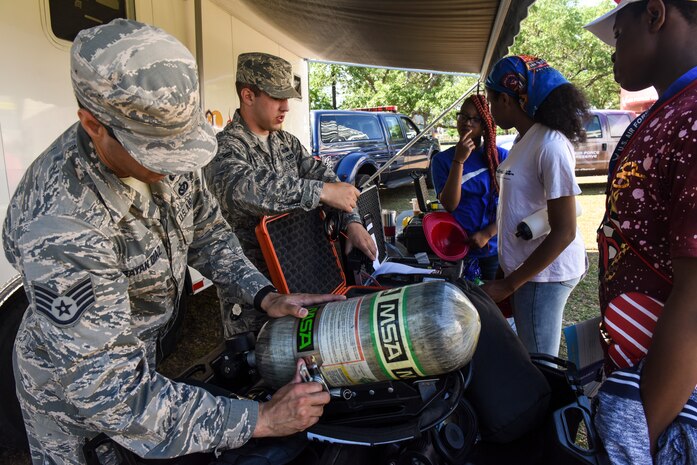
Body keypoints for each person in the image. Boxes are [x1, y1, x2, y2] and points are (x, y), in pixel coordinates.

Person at [2, 19, 342, 464]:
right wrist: (260, 419)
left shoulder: (165, 149)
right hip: (68, 391)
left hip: (136, 361)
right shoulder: (61, 222)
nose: (174, 166)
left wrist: (264, 296)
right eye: (158, 152)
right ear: (93, 124)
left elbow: (209, 233)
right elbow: (113, 395)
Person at [584, 1, 697, 463]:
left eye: (618, 34)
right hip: (644, 377)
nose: (613, 51)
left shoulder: (692, 119)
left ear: (654, 15)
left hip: (669, 409)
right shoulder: (668, 112)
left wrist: (637, 437)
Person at [203, 52, 377, 338]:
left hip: (299, 275)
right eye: (276, 97)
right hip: (253, 291)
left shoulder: (287, 143)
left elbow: (328, 180)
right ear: (248, 95)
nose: (286, 107)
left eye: (288, 98)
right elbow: (242, 189)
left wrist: (352, 221)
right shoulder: (224, 148)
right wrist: (319, 192)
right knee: (261, 366)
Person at [481, 55, 588, 357]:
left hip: (543, 275)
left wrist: (510, 284)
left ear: (506, 99)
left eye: (491, 100)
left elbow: (565, 230)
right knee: (529, 351)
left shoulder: (550, 145)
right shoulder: (524, 140)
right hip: (526, 270)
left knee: (539, 360)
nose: (490, 109)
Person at [430, 94, 508, 280]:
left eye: (475, 119)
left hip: (493, 248)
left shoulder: (500, 158)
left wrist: (487, 234)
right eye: (463, 116)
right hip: (456, 248)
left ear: (484, 126)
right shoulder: (441, 160)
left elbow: (513, 206)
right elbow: (450, 204)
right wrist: (459, 160)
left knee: (490, 305)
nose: (467, 123)